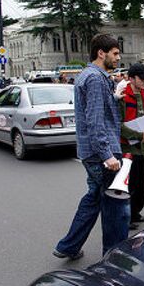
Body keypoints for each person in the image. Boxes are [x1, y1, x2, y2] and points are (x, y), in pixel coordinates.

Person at [54, 34, 127, 259]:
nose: (118, 57)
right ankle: (113, 256)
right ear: (101, 53)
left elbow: (97, 110)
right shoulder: (95, 78)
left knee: (94, 198)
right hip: (100, 153)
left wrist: (114, 98)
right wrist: (107, 155)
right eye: (115, 53)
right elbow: (95, 120)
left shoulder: (92, 75)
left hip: (92, 151)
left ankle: (68, 246)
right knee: (116, 206)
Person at [118, 63, 144, 230]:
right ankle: (127, 217)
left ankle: (136, 213)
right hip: (126, 147)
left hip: (139, 146)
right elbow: (118, 125)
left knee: (141, 183)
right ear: (131, 78)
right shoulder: (122, 96)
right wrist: (140, 135)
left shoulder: (142, 94)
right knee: (129, 184)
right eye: (142, 78)